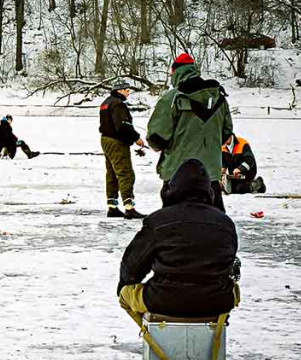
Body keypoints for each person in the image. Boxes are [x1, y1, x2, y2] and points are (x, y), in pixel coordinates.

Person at [117, 159, 240, 328]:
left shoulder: (158, 221)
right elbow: (230, 265)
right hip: (216, 301)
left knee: (125, 295)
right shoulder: (225, 223)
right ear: (208, 190)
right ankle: (213, 331)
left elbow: (132, 266)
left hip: (162, 300)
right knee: (234, 291)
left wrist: (124, 285)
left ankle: (154, 341)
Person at [146, 52, 233, 212]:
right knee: (214, 219)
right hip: (210, 175)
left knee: (173, 222)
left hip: (177, 173)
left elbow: (156, 137)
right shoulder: (219, 97)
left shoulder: (172, 98)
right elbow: (227, 133)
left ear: (175, 73)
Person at [99, 83, 147, 219]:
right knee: (125, 173)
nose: (128, 93)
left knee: (112, 174)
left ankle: (112, 207)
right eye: (127, 90)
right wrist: (136, 138)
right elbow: (123, 126)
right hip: (116, 142)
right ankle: (129, 207)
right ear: (119, 90)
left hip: (105, 140)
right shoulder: (118, 104)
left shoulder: (106, 102)